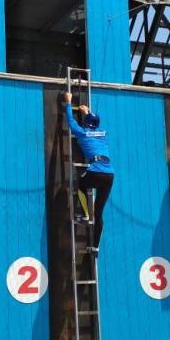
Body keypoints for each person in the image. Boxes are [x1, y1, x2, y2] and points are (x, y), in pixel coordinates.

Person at [63, 92, 114, 253]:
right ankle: (95, 247)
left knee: (81, 184)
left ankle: (85, 215)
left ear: (85, 123)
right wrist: (87, 113)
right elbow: (94, 124)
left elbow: (71, 122)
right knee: (98, 214)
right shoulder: (103, 134)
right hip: (109, 174)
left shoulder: (83, 133)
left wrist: (69, 102)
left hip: (96, 170)